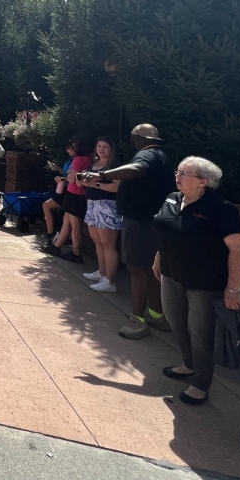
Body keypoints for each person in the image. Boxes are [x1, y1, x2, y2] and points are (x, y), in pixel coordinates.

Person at [152, 157, 240, 405]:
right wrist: (159, 257)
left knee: (200, 333)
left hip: (204, 282)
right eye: (178, 171)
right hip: (172, 274)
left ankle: (201, 384)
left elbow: (238, 249)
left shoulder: (220, 209)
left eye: (186, 173)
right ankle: (188, 364)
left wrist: (234, 288)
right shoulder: (172, 198)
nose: (178, 176)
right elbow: (168, 231)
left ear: (204, 181)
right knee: (176, 322)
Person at [78, 124, 174, 340]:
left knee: (137, 269)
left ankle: (137, 321)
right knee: (151, 270)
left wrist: (101, 175)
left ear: (136, 138)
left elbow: (137, 169)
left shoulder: (147, 155)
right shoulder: (159, 154)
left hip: (141, 222)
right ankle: (156, 314)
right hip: (150, 221)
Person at [78, 137, 122, 293]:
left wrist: (95, 184)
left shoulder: (115, 166)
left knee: (108, 243)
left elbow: (117, 187)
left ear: (112, 149)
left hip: (107, 206)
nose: (101, 149)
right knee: (97, 241)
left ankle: (109, 281)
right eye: (99, 146)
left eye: (105, 146)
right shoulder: (94, 164)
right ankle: (101, 273)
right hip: (92, 204)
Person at [46, 136, 93, 264]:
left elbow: (72, 179)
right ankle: (55, 247)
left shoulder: (78, 159)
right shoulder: (90, 158)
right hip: (80, 194)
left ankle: (76, 253)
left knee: (75, 225)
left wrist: (64, 178)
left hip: (75, 194)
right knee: (67, 222)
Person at [42, 142, 76, 244]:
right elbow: (68, 174)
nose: (67, 150)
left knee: (46, 205)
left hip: (69, 190)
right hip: (65, 189)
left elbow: (72, 178)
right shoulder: (71, 160)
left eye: (69, 148)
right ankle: (59, 236)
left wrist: (61, 178)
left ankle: (52, 234)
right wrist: (58, 169)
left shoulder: (77, 161)